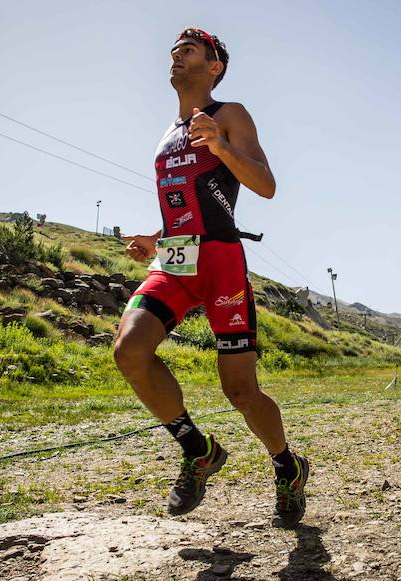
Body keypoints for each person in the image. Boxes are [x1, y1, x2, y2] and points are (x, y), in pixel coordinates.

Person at [113, 28, 309, 529]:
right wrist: (155, 239)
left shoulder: (230, 115)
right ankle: (197, 449)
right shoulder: (166, 133)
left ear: (214, 65)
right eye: (173, 52)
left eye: (188, 51)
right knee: (129, 350)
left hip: (220, 258)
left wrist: (222, 146)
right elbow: (189, 203)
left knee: (239, 391)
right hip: (175, 259)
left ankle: (288, 467)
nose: (176, 57)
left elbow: (265, 186)